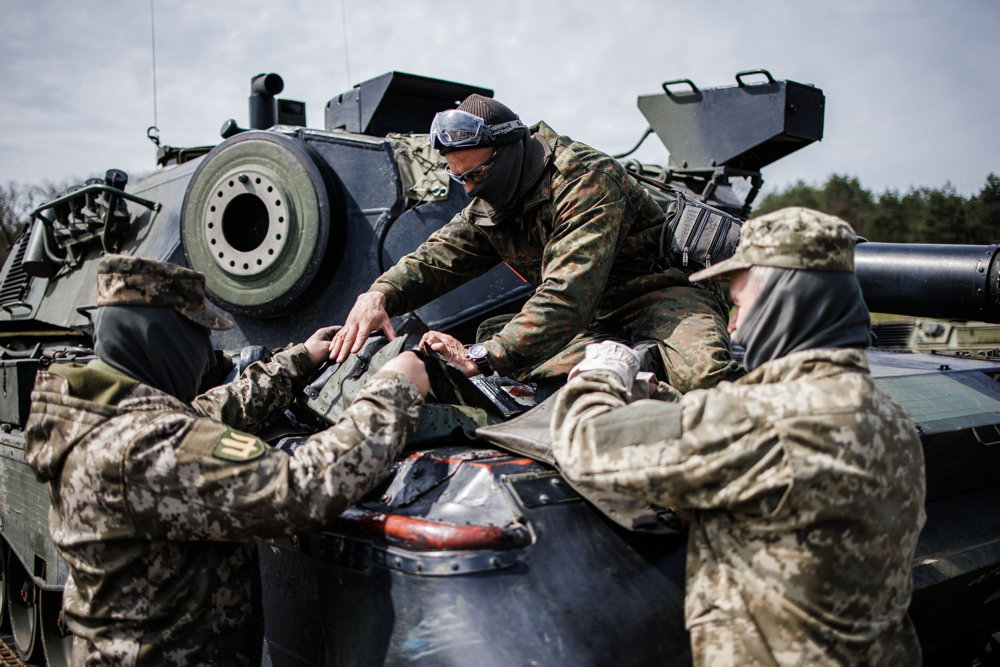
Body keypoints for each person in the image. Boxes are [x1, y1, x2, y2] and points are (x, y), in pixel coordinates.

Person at [549, 207, 927, 665]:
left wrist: (601, 374)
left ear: (784, 303)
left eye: (740, 305)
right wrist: (663, 398)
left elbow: (588, 442)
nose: (731, 326)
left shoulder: (765, 419)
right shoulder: (886, 414)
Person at [24, 254, 429, 665]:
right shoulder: (146, 447)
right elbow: (299, 487)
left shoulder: (99, 415)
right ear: (163, 337)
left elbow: (208, 412)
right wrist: (395, 389)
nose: (206, 354)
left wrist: (300, 359)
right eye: (199, 336)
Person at [329, 93, 735, 393]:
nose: (469, 190)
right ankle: (620, 357)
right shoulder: (496, 199)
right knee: (505, 361)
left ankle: (640, 360)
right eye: (460, 179)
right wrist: (379, 293)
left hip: (658, 295)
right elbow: (440, 257)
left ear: (507, 154)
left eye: (475, 176)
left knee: (704, 378)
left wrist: (483, 356)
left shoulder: (583, 180)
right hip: (590, 318)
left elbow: (566, 295)